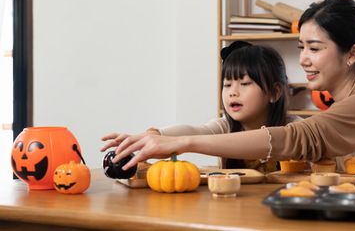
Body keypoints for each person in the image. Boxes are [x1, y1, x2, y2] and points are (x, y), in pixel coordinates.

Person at [109, 0, 355, 177]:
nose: (304, 59)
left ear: (352, 53)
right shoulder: (342, 103)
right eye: (301, 48)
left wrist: (182, 143)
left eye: (315, 48)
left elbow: (298, 140)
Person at [101, 41, 300, 173]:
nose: (232, 92)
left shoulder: (295, 130)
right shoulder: (226, 128)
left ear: (274, 92)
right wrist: (155, 134)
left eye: (245, 84)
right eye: (227, 85)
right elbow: (195, 131)